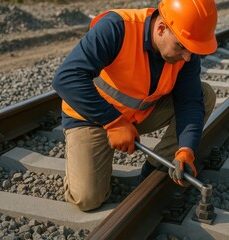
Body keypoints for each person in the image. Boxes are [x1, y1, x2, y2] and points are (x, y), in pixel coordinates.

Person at [52, 0, 218, 211]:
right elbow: (65, 78)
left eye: (193, 51)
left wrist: (186, 149)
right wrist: (113, 122)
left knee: (204, 95)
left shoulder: (187, 53)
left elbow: (190, 102)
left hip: (137, 116)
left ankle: (155, 169)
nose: (187, 56)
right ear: (161, 28)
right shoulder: (117, 27)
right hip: (91, 118)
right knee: (87, 199)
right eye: (182, 47)